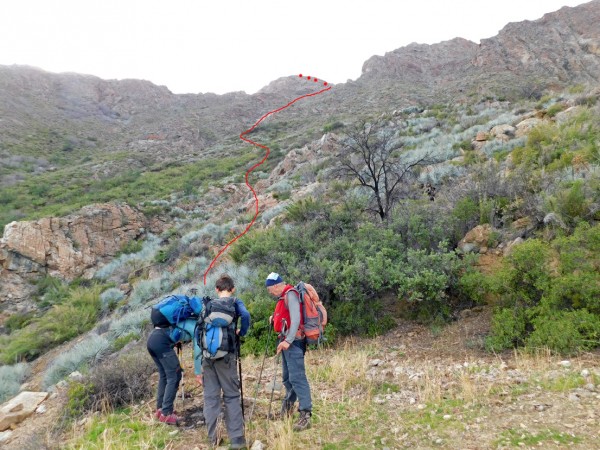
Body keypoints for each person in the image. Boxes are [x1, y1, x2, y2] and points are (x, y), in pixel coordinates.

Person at [202, 274, 251, 450]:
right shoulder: (236, 302)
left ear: (216, 289)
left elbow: (198, 330)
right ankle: (237, 439)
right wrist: (242, 332)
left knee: (211, 398)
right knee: (231, 395)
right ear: (232, 289)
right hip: (227, 356)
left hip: (207, 357)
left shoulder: (208, 305)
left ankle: (213, 438)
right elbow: (245, 316)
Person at [265, 272, 312, 431]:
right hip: (286, 341)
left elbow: (296, 318)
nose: (270, 292)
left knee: (297, 378)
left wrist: (288, 340)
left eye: (270, 289)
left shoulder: (290, 294)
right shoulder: (283, 296)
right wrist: (275, 318)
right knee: (287, 378)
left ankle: (305, 414)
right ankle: (287, 408)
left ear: (277, 285)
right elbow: (287, 316)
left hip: (293, 342)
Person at [147, 298, 203, 425]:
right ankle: (166, 413)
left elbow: (174, 334)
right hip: (161, 343)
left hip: (152, 340)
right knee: (175, 375)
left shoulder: (179, 319)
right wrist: (198, 372)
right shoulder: (196, 327)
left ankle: (160, 410)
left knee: (165, 375)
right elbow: (197, 352)